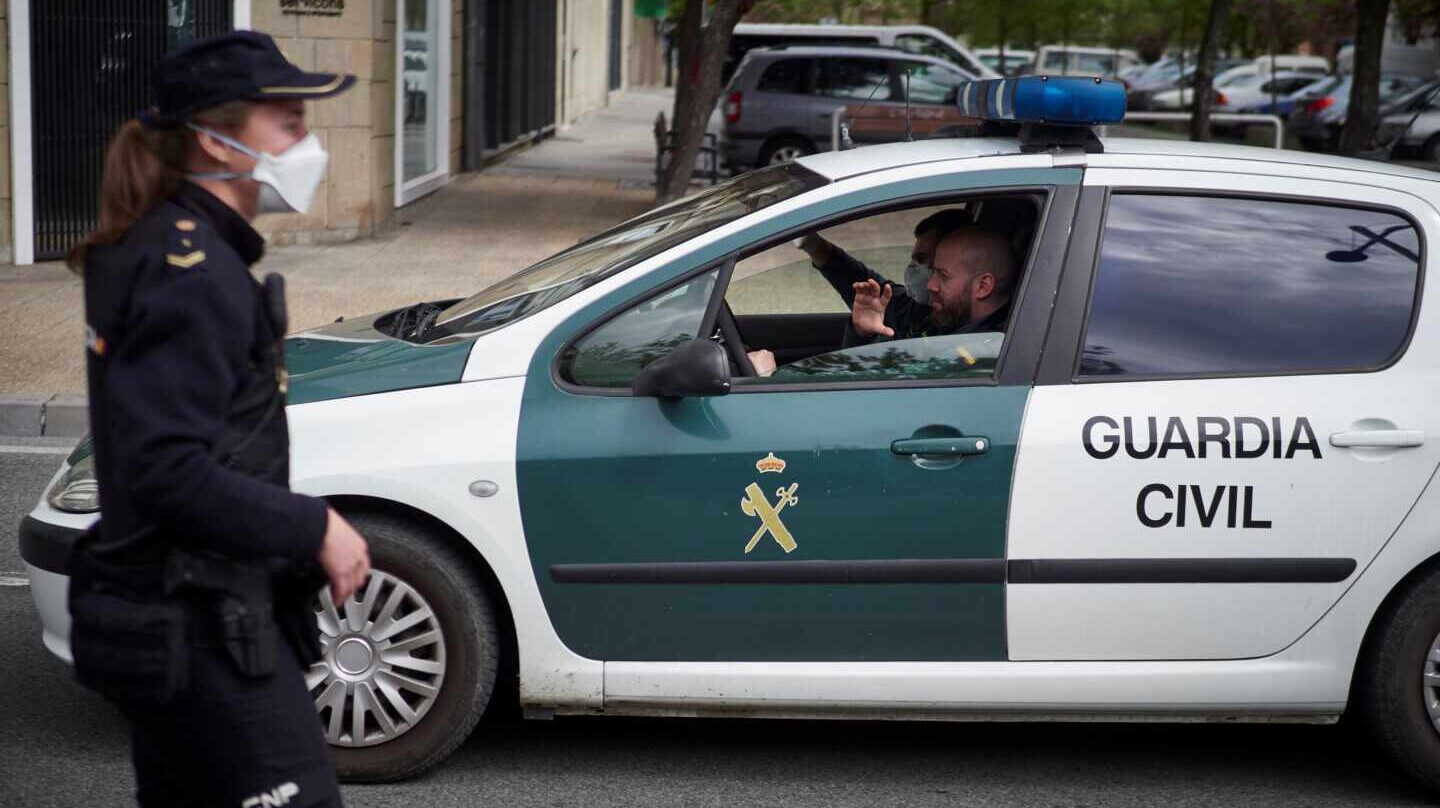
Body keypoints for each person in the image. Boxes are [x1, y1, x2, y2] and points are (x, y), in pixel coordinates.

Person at [65, 31, 370, 808]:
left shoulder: (189, 251)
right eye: (290, 124)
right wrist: (316, 527)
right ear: (215, 138)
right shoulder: (192, 272)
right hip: (197, 623)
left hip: (188, 608)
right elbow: (166, 468)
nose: (308, 143)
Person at [746, 208, 970, 376]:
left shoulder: (973, 346)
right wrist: (861, 334)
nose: (913, 270)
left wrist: (767, 381)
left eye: (924, 262)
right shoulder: (916, 310)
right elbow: (853, 277)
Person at [849, 225, 1017, 344]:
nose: (931, 285)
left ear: (983, 286)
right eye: (932, 271)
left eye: (943, 275)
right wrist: (863, 333)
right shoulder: (947, 320)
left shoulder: (985, 356)